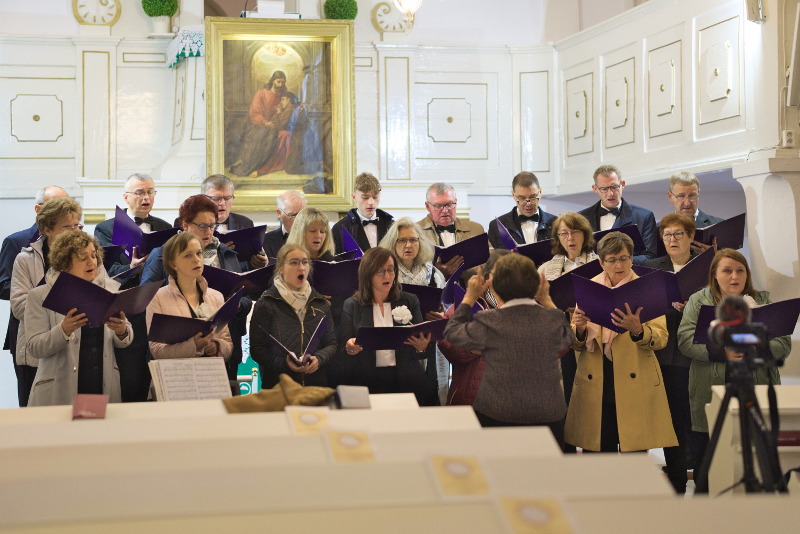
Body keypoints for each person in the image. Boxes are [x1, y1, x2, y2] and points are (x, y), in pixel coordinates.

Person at [677, 249, 791, 468]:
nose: (735, 277)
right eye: (727, 271)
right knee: (708, 464)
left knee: (756, 462)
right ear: (714, 275)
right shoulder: (698, 301)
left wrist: (752, 351)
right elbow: (685, 340)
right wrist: (722, 352)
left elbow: (783, 344)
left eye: (740, 271)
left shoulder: (763, 300)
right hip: (708, 390)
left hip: (755, 388)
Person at [443, 254, 574, 445]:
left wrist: (469, 297)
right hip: (547, 413)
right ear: (537, 282)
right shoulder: (550, 318)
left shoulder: (490, 320)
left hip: (499, 412)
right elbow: (567, 337)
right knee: (546, 472)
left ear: (495, 287)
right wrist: (546, 299)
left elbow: (452, 332)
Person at [566, 232, 677, 452]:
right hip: (598, 379)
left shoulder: (647, 289)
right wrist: (578, 328)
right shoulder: (589, 288)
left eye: (624, 258)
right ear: (601, 262)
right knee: (599, 454)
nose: (619, 265)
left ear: (632, 259)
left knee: (633, 454)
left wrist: (638, 330)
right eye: (612, 260)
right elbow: (575, 343)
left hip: (635, 378)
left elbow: (662, 338)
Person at [142, 195, 250, 379]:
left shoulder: (226, 252)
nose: (208, 231)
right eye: (202, 226)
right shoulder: (162, 255)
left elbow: (245, 297)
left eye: (212, 225)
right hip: (174, 365)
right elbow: (145, 297)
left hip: (218, 357)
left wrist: (235, 304)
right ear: (185, 225)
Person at [25, 231, 132, 406]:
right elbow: (35, 348)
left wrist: (122, 330)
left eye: (93, 255)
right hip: (58, 393)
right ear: (65, 262)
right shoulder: (40, 295)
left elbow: (125, 339)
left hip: (101, 389)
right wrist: (63, 330)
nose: (92, 262)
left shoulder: (109, 291)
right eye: (83, 257)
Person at [94, 173, 172, 403]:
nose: (146, 197)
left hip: (158, 309)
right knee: (130, 378)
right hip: (127, 310)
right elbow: (102, 270)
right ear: (126, 197)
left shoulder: (165, 227)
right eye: (140, 192)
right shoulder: (106, 229)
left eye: (150, 192)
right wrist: (131, 267)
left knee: (157, 380)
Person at [643, 214, 698, 493]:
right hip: (661, 353)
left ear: (691, 237)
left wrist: (694, 307)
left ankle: (703, 480)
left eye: (678, 234)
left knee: (695, 421)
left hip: (695, 354)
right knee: (670, 420)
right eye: (667, 235)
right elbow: (644, 308)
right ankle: (676, 480)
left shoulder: (706, 269)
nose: (672, 240)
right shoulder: (652, 269)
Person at [10, 197, 83, 406]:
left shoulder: (88, 257)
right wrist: (58, 304)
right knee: (35, 420)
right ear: (47, 230)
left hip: (75, 351)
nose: (74, 232)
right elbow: (19, 306)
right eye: (66, 227)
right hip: (37, 353)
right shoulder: (25, 259)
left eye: (76, 225)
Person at [339, 247, 435, 405]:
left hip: (406, 380)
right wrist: (350, 348)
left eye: (391, 270)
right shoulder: (352, 305)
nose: (387, 276)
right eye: (380, 271)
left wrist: (422, 347)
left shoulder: (410, 300)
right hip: (366, 381)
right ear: (367, 274)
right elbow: (342, 350)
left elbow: (425, 349)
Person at [0, 185, 68, 406]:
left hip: (64, 328)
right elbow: (3, 286)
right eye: (56, 206)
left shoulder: (75, 246)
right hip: (27, 330)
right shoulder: (17, 242)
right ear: (39, 209)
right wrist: (40, 294)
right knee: (31, 401)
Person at [538, 211, 598, 453]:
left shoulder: (599, 263)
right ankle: (566, 453)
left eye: (575, 232)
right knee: (564, 398)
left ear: (585, 235)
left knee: (590, 401)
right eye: (564, 233)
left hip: (591, 336)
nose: (570, 238)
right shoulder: (545, 268)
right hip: (559, 340)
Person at [249, 243, 337, 388]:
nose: (301, 267)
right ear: (281, 268)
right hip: (280, 388)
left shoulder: (320, 302)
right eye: (294, 263)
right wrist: (285, 364)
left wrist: (319, 359)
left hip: (315, 387)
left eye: (305, 262)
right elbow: (257, 349)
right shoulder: (266, 303)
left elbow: (332, 344)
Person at [379, 217, 446, 402]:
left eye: (413, 240)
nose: (408, 245)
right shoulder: (385, 273)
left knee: (427, 395)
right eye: (402, 240)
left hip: (428, 341)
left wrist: (440, 315)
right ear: (393, 243)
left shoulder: (433, 273)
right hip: (396, 344)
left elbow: (446, 308)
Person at [146, 232, 233, 361]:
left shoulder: (216, 296)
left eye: (199, 253)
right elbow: (157, 351)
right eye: (187, 255)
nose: (196, 259)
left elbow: (228, 343)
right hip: (175, 376)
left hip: (210, 375)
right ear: (173, 264)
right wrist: (194, 345)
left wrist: (216, 346)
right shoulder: (157, 298)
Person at [437, 249, 508, 407]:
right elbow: (444, 339)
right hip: (473, 394)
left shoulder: (527, 304)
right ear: (488, 275)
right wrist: (471, 350)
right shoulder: (468, 302)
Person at [578, 164, 657, 264]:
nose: (610, 193)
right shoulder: (582, 218)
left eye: (614, 187)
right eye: (604, 189)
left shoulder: (644, 217)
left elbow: (650, 257)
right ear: (595, 188)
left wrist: (622, 261)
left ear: (622, 184)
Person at [196, 174, 266, 270]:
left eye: (227, 198)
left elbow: (249, 263)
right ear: (203, 199)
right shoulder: (190, 224)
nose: (222, 203)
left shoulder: (245, 223)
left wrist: (261, 261)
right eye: (216, 198)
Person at [228, 70, 290, 177]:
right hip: (258, 125)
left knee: (272, 138)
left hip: (275, 127)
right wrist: (265, 123)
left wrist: (278, 117)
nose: (281, 85)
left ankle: (262, 167)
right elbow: (255, 112)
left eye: (283, 82)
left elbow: (284, 114)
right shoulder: (261, 93)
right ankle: (251, 165)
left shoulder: (282, 97)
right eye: (278, 81)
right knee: (260, 137)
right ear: (273, 81)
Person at [417, 182, 486, 278]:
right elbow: (409, 269)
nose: (445, 210)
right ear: (427, 206)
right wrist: (436, 273)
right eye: (438, 206)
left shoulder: (476, 229)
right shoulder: (415, 232)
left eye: (449, 204)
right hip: (433, 290)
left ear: (456, 202)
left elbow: (487, 266)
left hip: (469, 288)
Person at [488, 171, 556, 249]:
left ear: (540, 192)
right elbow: (493, 259)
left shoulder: (556, 223)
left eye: (533, 197)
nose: (528, 203)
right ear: (513, 195)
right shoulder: (496, 226)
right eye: (522, 198)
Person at [332, 172, 395, 254]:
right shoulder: (339, 229)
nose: (371, 202)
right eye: (365, 197)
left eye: (375, 197)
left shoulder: (391, 225)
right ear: (354, 197)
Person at [667, 171, 724, 255]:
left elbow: (731, 263)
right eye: (681, 196)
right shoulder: (659, 229)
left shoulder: (720, 226)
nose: (687, 203)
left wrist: (714, 256)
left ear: (698, 194)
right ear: (670, 196)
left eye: (692, 195)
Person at [264, 190, 307, 260]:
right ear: (279, 213)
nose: (300, 220)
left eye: (303, 214)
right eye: (294, 215)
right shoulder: (265, 241)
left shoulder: (315, 239)